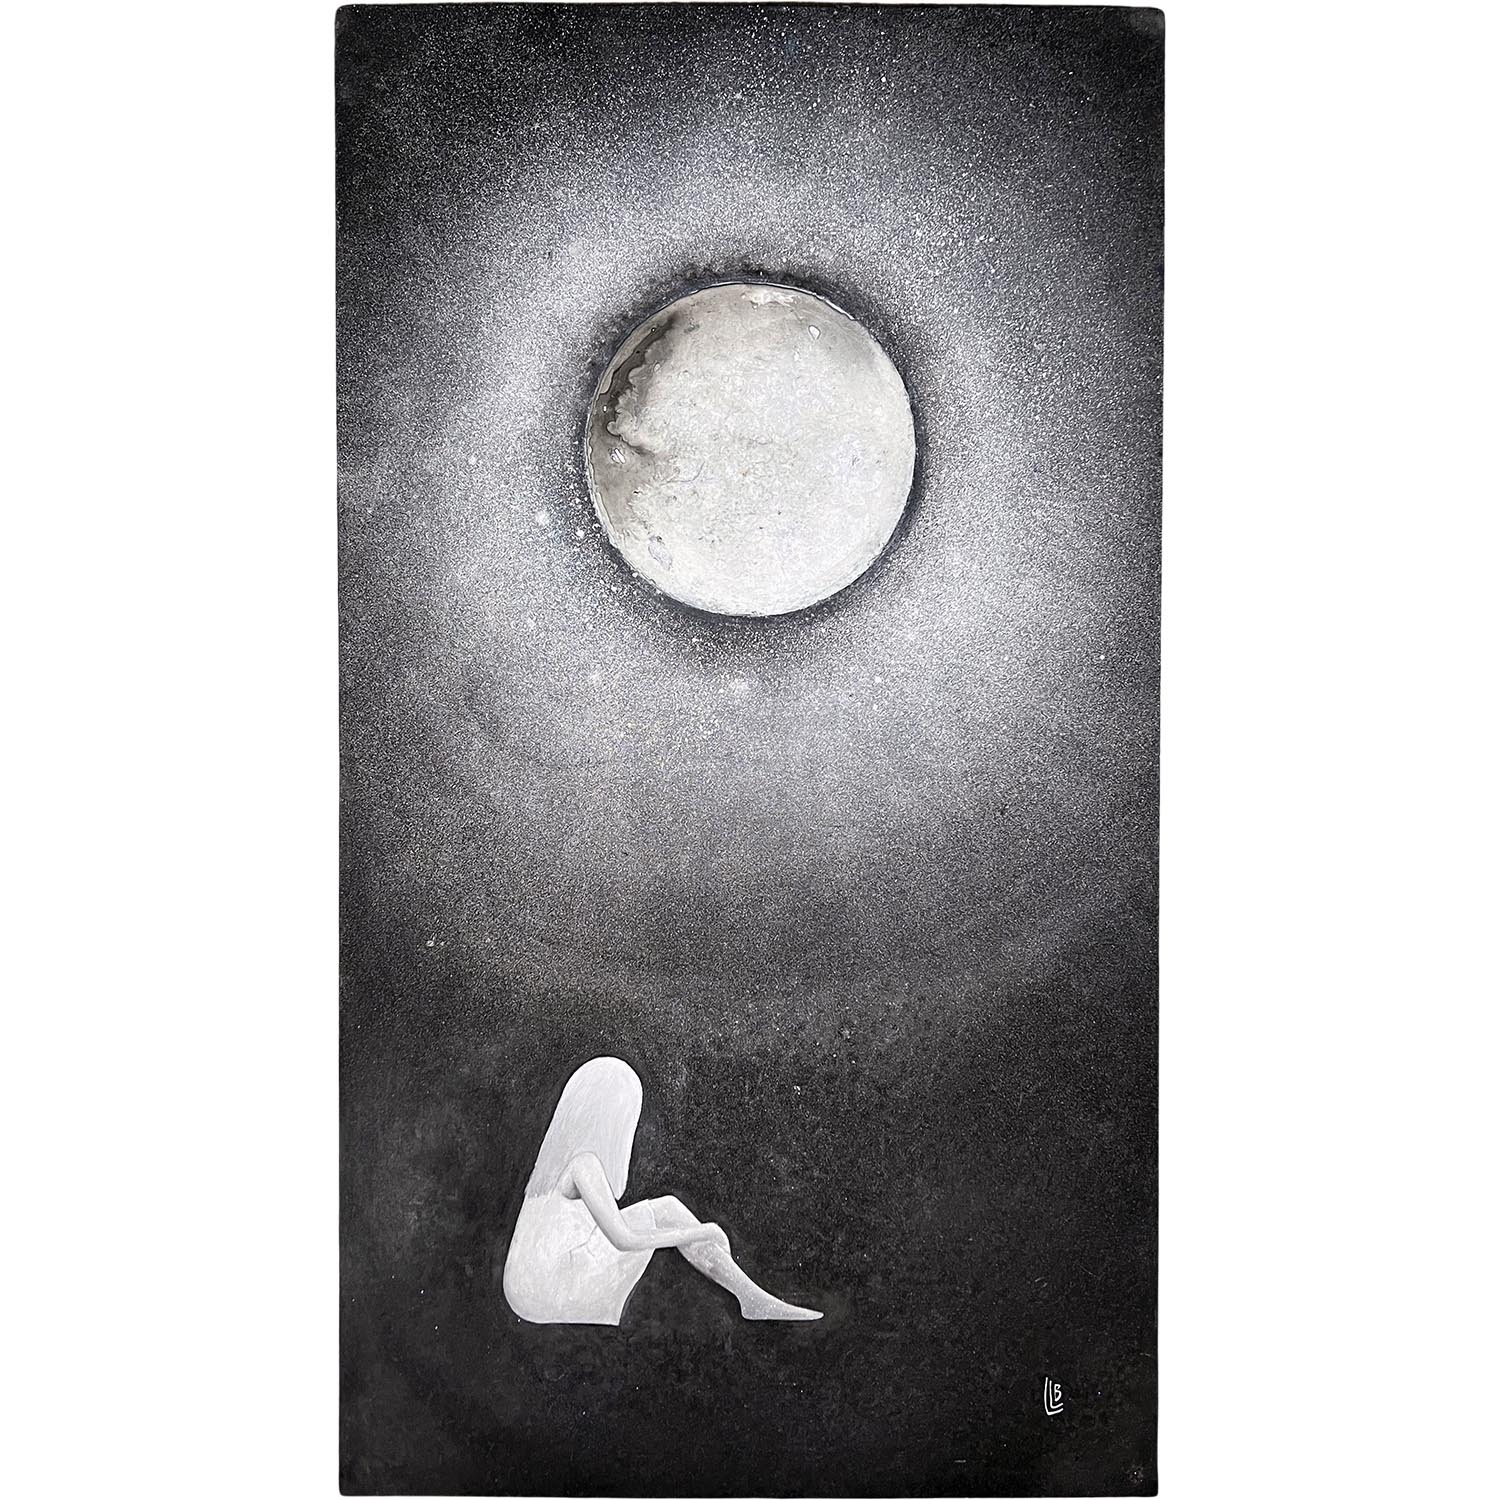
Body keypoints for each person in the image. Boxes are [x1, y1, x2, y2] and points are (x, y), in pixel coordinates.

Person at [503, 1056, 822, 1325]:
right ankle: (750, 1297)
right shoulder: (584, 1164)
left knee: (666, 1209)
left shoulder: (553, 1167)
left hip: (528, 1291)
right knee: (668, 1211)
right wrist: (702, 1232)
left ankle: (749, 1296)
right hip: (551, 1291)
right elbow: (624, 1239)